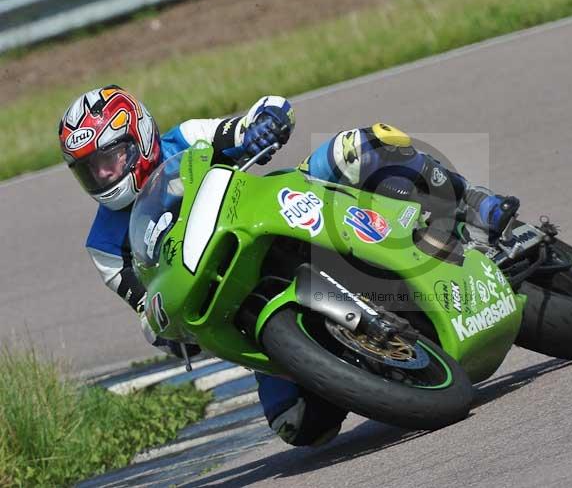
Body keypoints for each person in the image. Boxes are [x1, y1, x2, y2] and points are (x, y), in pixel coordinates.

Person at [58, 85, 518, 447]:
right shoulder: (103, 245)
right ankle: (360, 360)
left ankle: (470, 202)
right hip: (234, 300)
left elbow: (258, 116)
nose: (102, 176)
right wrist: (164, 331)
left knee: (354, 148)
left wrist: (264, 124)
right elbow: (145, 303)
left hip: (279, 216)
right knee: (299, 428)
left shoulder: (186, 138)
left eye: (108, 160)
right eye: (88, 170)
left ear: (137, 137)